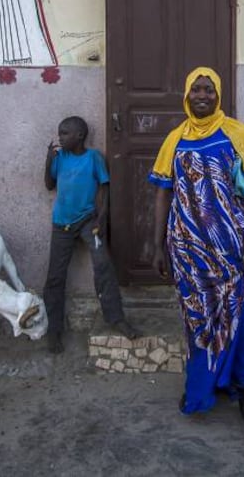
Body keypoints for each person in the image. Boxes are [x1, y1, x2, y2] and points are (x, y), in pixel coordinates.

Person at [149, 67, 244, 445]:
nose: (202, 95)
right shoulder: (176, 138)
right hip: (188, 251)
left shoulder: (237, 133)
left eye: (208, 89)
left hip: (233, 248)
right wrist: (157, 245)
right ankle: (204, 387)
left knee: (243, 317)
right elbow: (162, 192)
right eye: (196, 89)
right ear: (187, 95)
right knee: (199, 320)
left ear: (218, 95)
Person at [43, 116, 139, 353]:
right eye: (60, 133)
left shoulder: (93, 157)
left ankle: (116, 319)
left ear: (80, 136)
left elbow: (105, 188)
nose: (60, 137)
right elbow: (49, 184)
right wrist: (48, 161)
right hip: (61, 224)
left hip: (88, 221)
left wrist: (101, 218)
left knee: (103, 265)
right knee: (55, 277)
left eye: (65, 133)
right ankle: (53, 330)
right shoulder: (60, 158)